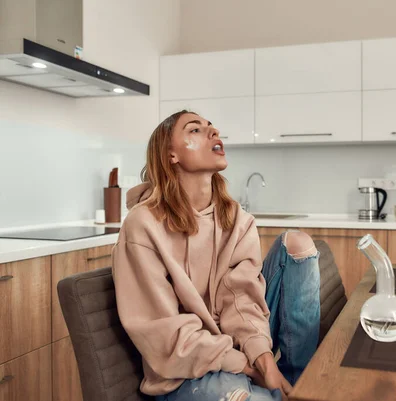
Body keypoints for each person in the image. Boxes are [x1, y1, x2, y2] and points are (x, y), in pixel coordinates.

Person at [112, 110, 321, 401]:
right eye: (195, 130)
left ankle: (296, 384)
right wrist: (247, 367)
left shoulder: (236, 218)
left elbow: (242, 298)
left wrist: (263, 358)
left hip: (237, 348)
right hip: (187, 372)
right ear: (170, 154)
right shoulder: (143, 225)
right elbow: (165, 334)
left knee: (297, 242)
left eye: (211, 127)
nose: (214, 132)